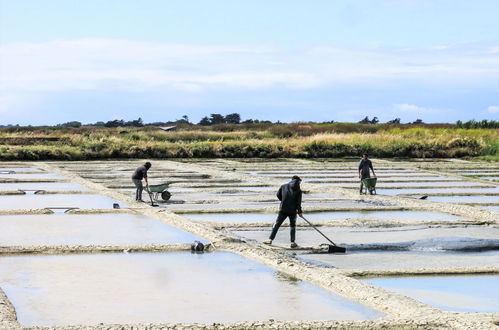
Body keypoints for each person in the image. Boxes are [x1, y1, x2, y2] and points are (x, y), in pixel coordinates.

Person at [263, 175, 303, 248]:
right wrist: (300, 212)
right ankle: (292, 242)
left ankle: (270, 239)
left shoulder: (283, 186)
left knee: (277, 224)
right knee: (293, 226)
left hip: (283, 209)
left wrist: (283, 200)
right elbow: (298, 203)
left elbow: (278, 195)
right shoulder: (299, 190)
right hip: (293, 211)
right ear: (298, 181)